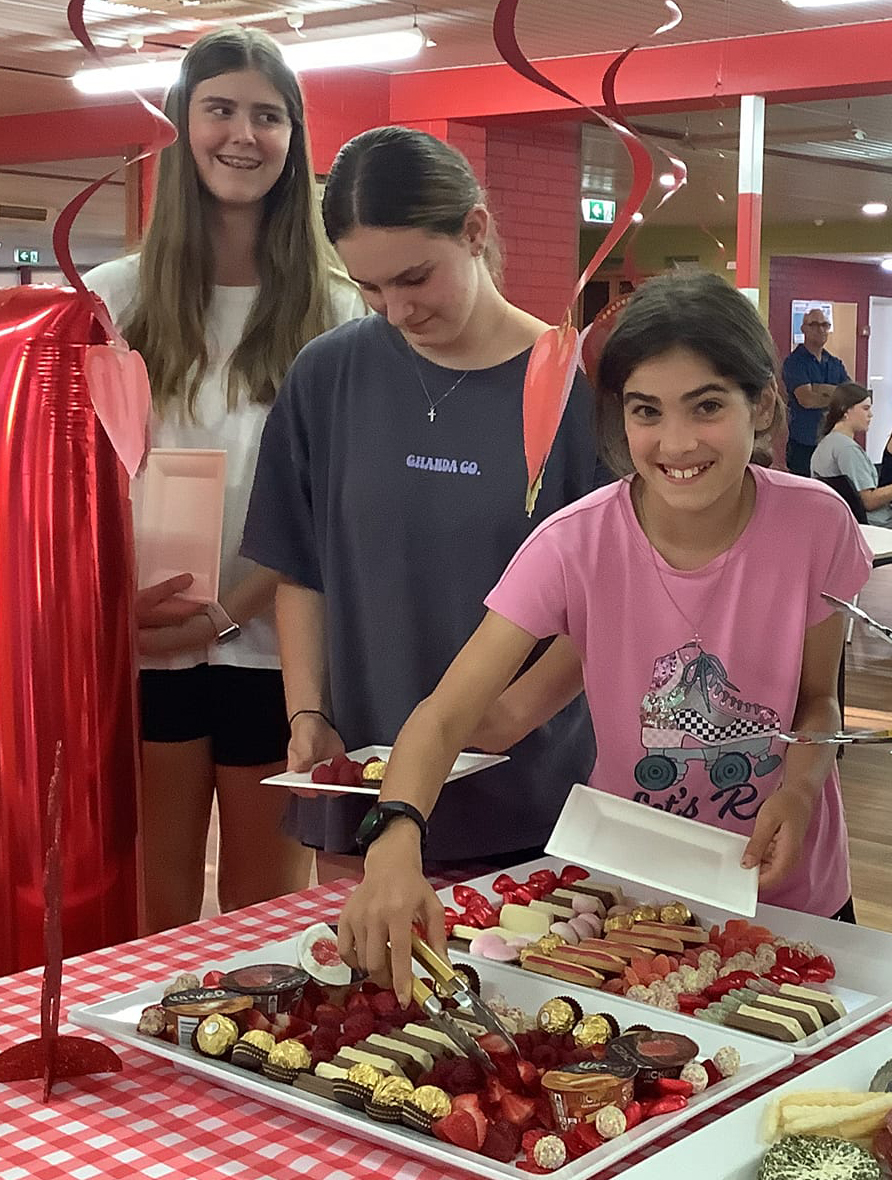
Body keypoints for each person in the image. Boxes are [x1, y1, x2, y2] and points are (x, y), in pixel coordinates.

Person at [338, 272, 874, 1007]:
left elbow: (819, 702)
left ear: (763, 405)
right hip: (639, 911)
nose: (677, 441)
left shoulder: (817, 525)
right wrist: (393, 839)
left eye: (708, 406)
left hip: (799, 898)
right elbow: (447, 716)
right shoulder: (574, 544)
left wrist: (802, 787)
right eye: (646, 411)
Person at [242, 125, 605, 885]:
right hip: (359, 790)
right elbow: (300, 566)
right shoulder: (328, 376)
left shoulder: (577, 389)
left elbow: (609, 601)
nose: (396, 310)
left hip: (529, 798)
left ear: (474, 231)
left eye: (415, 278)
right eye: (370, 288)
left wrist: (505, 719)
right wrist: (306, 714)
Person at [85, 27, 366, 933]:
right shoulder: (108, 299)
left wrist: (231, 610)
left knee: (262, 911)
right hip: (145, 642)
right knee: (153, 901)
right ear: (181, 125)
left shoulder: (337, 308)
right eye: (220, 109)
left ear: (293, 141)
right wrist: (113, 608)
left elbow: (335, 507)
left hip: (276, 649)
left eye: (267, 116)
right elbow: (67, 493)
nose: (242, 135)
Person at [811, 383, 892, 526]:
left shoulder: (826, 444)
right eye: (865, 408)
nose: (871, 414)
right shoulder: (847, 449)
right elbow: (869, 501)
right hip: (874, 525)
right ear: (845, 410)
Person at [782, 309, 850, 476]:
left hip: (831, 441)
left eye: (825, 325)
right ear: (803, 329)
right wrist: (836, 394)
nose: (821, 329)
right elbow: (807, 399)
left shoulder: (835, 363)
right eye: (814, 324)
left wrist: (819, 388)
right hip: (803, 444)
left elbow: (850, 395)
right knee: (804, 494)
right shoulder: (794, 362)